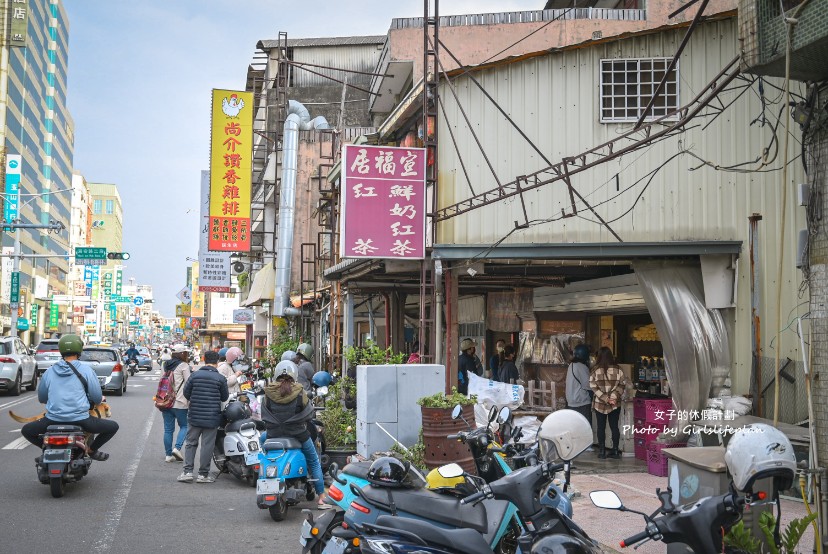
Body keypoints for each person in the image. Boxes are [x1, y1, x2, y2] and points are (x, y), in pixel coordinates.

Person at [21, 334, 119, 461]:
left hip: (52, 419)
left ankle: (46, 449)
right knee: (113, 427)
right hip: (81, 419)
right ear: (79, 351)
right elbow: (96, 397)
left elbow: (42, 398)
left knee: (26, 430)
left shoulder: (49, 371)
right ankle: (91, 450)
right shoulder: (87, 370)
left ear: (61, 351)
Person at [260, 360, 329, 508]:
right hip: (298, 433)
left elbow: (263, 414)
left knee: (262, 440)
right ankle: (322, 497)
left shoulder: (268, 392)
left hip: (273, 434)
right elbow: (309, 413)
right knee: (313, 460)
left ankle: (264, 465)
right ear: (295, 375)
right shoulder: (299, 391)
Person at [178, 349, 228, 483]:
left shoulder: (195, 376)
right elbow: (225, 397)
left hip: (194, 415)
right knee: (207, 445)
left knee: (191, 443)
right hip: (212, 417)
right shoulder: (221, 378)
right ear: (217, 362)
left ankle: (187, 472)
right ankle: (203, 474)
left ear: (204, 360)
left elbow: (186, 393)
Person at [589, 346, 627, 459]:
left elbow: (593, 387)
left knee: (601, 428)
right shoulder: (618, 369)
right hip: (615, 404)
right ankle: (615, 450)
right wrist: (613, 398)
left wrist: (605, 398)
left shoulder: (595, 370)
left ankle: (602, 451)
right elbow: (622, 384)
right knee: (614, 427)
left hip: (599, 403)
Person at [162, 344, 192, 463]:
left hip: (165, 401)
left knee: (168, 430)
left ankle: (168, 455)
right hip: (180, 402)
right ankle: (177, 448)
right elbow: (189, 383)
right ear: (182, 353)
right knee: (185, 426)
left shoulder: (165, 365)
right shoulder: (183, 365)